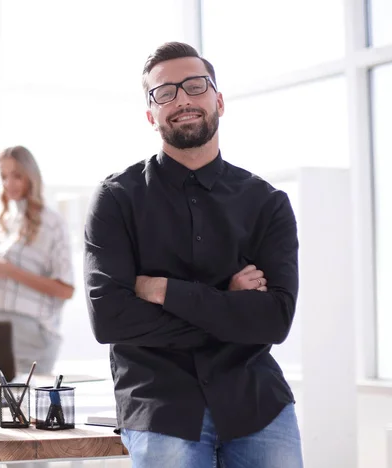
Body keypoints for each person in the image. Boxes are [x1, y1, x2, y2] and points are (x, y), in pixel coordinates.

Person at [84, 42, 302, 467]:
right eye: (164, 92)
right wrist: (228, 303)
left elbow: (274, 320)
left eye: (195, 86)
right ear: (151, 115)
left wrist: (165, 290)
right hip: (162, 406)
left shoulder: (267, 203)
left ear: (218, 100)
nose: (182, 99)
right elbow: (110, 318)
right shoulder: (116, 200)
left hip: (257, 404)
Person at [0, 146, 74, 377]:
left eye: (16, 175)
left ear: (31, 175)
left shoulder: (52, 223)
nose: (9, 183)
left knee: (26, 410)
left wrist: (11, 271)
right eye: (4, 176)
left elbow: (66, 289)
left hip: (31, 336)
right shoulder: (6, 222)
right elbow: (3, 281)